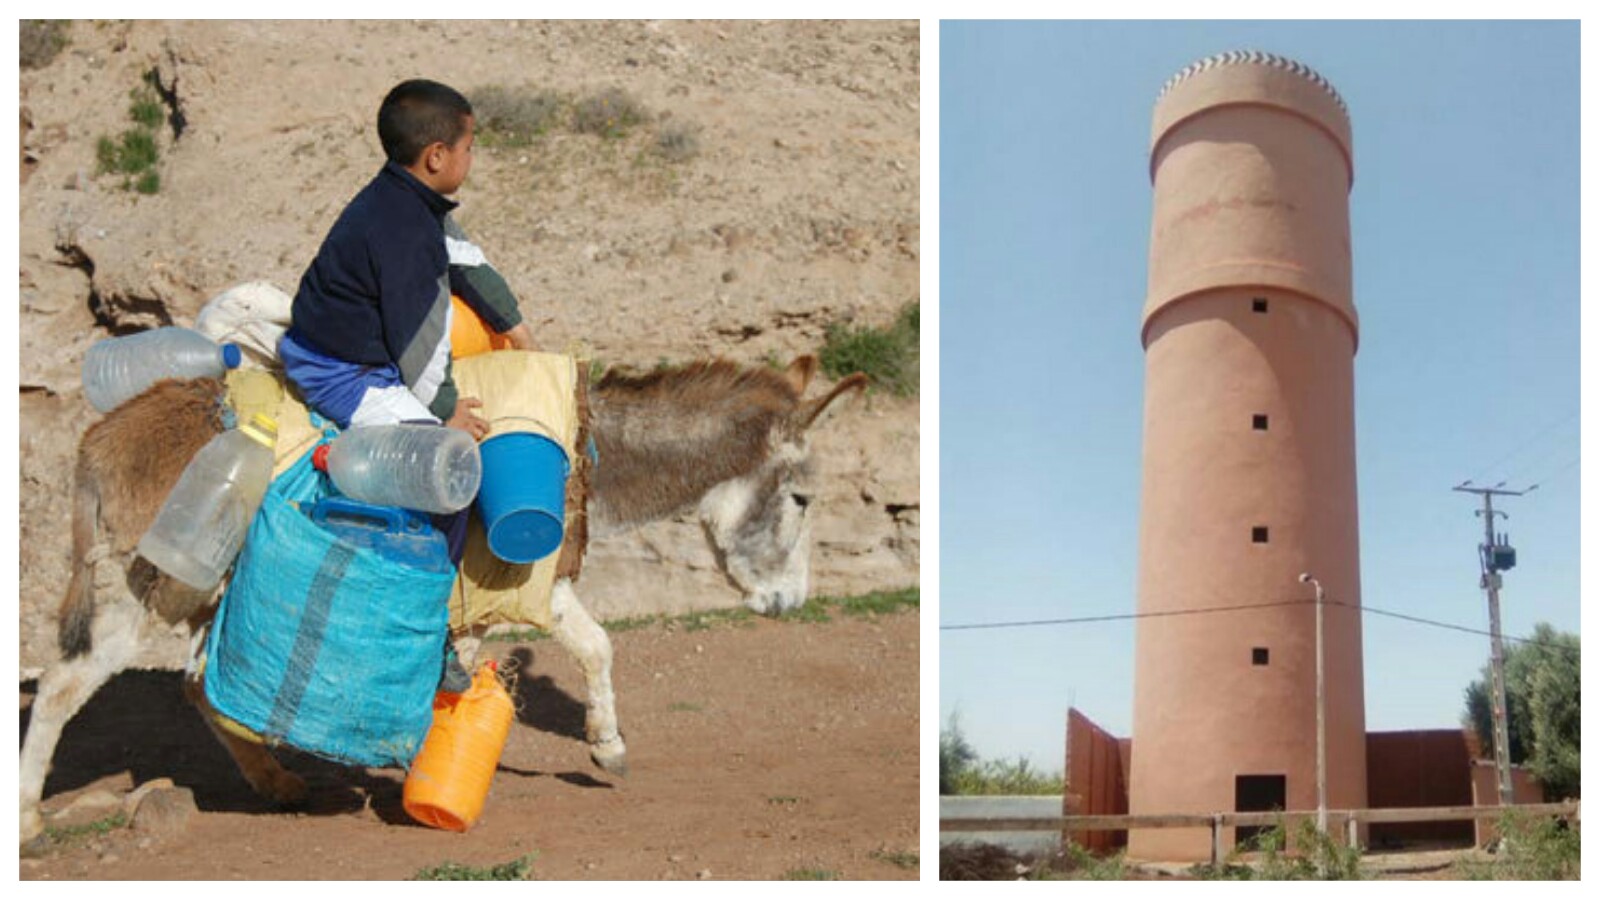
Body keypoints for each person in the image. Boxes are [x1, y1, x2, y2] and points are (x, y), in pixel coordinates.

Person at [280, 78, 534, 439]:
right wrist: (446, 411)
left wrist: (517, 329)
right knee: (437, 455)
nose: (471, 159)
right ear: (436, 156)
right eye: (468, 148)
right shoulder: (408, 234)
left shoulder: (403, 196)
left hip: (354, 351)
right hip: (341, 374)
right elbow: (422, 340)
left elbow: (466, 261)